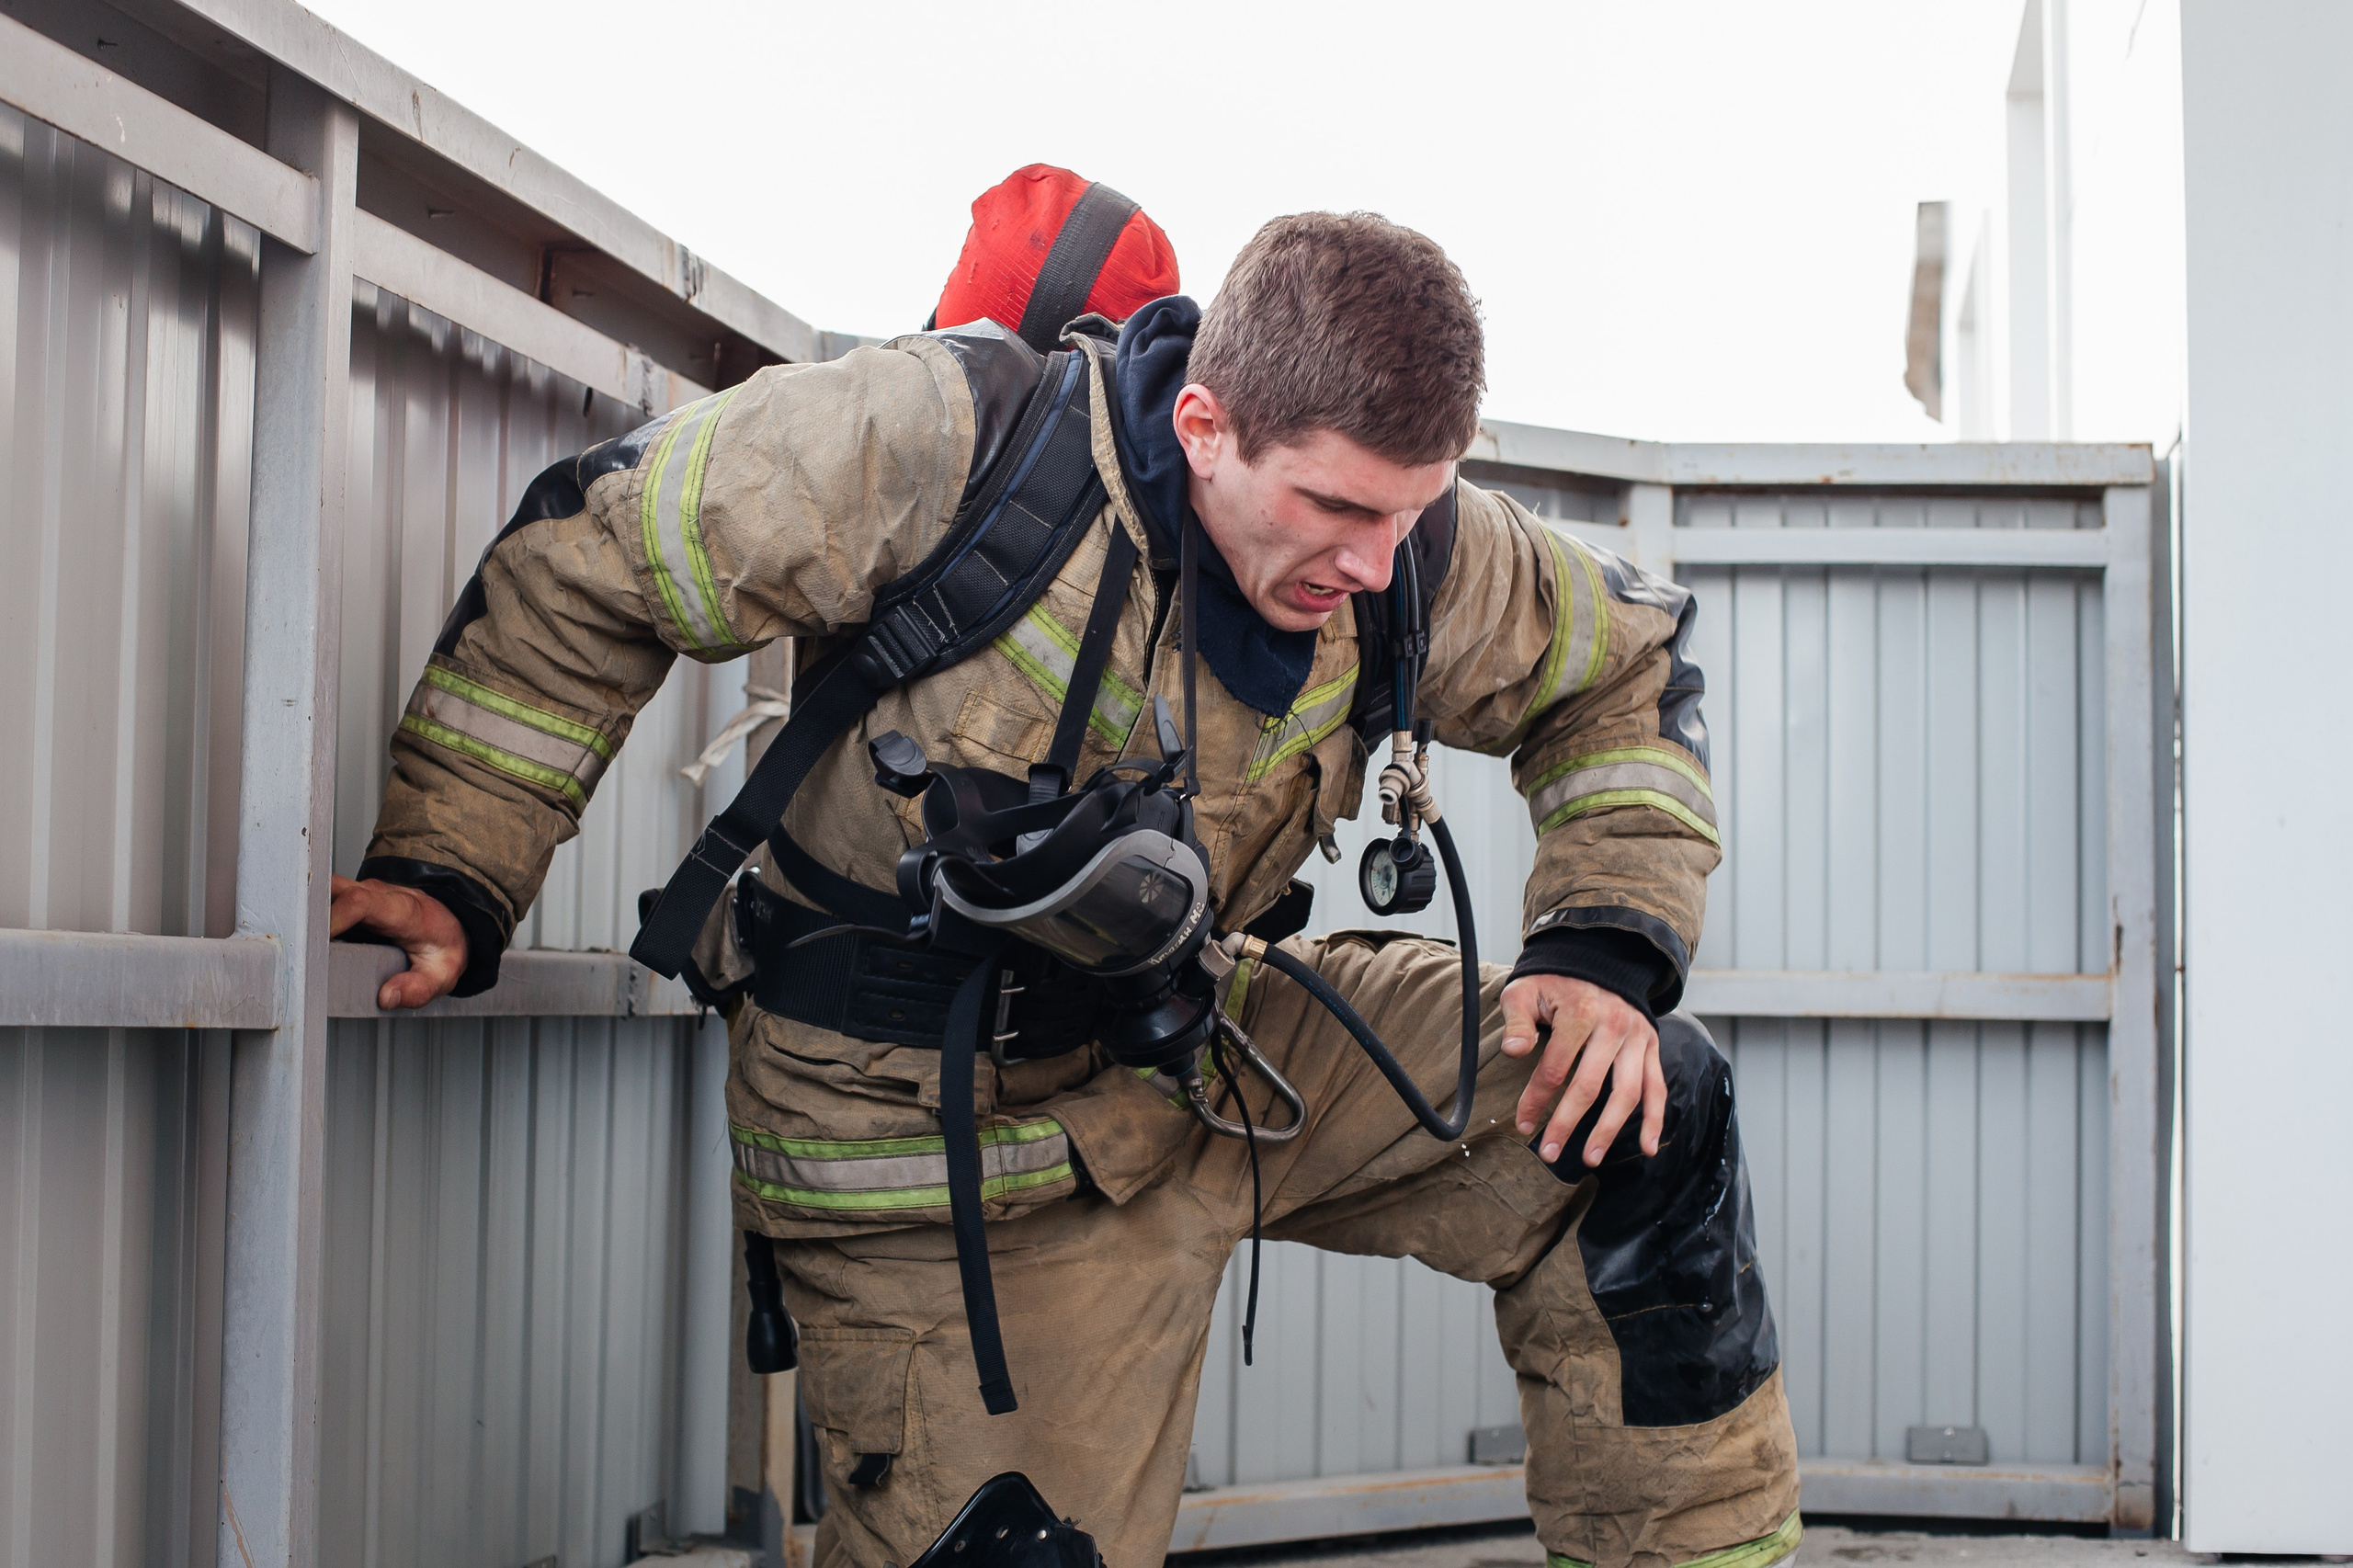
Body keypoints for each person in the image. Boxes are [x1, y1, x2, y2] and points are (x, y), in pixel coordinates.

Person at [331, 194, 1801, 1568]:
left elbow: (1630, 664)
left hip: (1203, 1045)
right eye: (1338, 510)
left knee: (1641, 1105)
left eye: (1409, 515)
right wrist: (454, 862)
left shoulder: (1409, 551)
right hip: (935, 1146)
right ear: (1207, 423)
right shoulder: (935, 440)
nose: (1376, 562)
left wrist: (1604, 950)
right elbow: (599, 554)